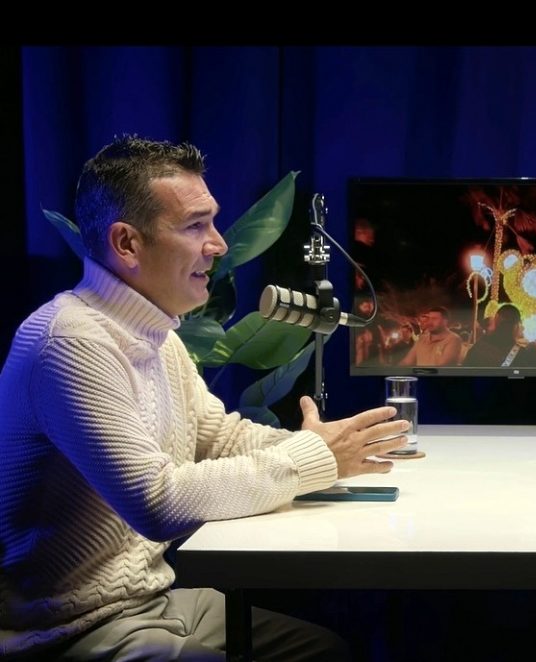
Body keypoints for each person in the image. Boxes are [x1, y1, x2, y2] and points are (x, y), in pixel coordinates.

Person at [0, 136, 414, 661]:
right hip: (68, 629)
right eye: (196, 226)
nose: (217, 245)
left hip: (152, 602)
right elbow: (158, 502)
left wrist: (329, 445)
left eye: (213, 223)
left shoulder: (156, 334)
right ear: (126, 244)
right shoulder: (70, 342)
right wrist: (311, 458)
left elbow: (218, 437)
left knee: (323, 649)